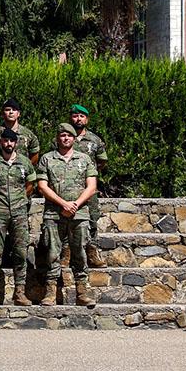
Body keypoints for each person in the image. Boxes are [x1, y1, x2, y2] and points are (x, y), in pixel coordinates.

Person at [37, 123, 98, 307]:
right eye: (62, 135)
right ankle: (50, 293)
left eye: (69, 136)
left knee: (79, 252)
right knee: (52, 252)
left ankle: (82, 292)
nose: (65, 138)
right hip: (54, 214)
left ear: (73, 139)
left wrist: (75, 205)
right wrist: (63, 204)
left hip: (79, 214)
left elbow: (92, 186)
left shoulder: (84, 159)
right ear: (58, 138)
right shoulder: (47, 159)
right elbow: (42, 186)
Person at [0, 129, 37, 306]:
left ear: (16, 143)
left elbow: (31, 184)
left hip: (19, 212)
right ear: (0, 142)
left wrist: (22, 199)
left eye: (11, 141)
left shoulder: (24, 162)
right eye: (5, 141)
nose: (8, 144)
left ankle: (20, 293)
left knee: (20, 251)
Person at [70, 104, 109, 269]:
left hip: (89, 187)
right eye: (75, 115)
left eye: (81, 116)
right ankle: (66, 254)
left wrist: (90, 174)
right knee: (66, 220)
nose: (78, 119)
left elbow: (102, 161)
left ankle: (92, 253)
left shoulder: (95, 140)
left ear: (86, 119)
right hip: (68, 186)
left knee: (92, 219)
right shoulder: (64, 137)